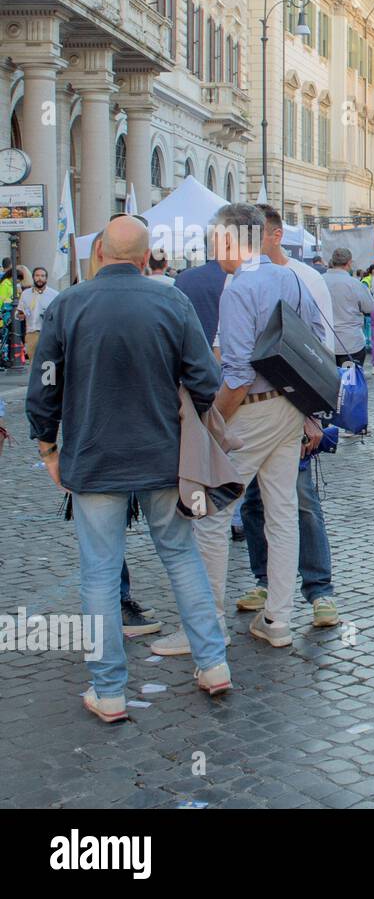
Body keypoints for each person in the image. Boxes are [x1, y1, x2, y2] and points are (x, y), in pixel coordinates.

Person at [26, 214, 231, 721]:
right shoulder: (171, 300)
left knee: (98, 573)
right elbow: (206, 380)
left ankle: (110, 690)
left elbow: (44, 386)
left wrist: (48, 449)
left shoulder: (68, 304)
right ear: (145, 259)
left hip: (93, 457)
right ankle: (214, 665)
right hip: (162, 456)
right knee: (181, 558)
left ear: (98, 255)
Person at [175, 203, 328, 654]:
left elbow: (238, 374)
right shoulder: (289, 277)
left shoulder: (239, 288)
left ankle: (206, 626)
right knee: (282, 514)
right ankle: (278, 619)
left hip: (253, 409)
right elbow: (313, 341)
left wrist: (211, 420)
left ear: (229, 240)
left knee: (211, 510)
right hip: (288, 405)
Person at [224, 204, 340, 631]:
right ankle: (272, 593)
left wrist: (312, 414)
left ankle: (318, 590)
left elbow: (316, 348)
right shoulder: (244, 280)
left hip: (279, 408)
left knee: (297, 504)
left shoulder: (300, 277)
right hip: (278, 408)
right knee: (262, 505)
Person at [323, 247, 374, 367]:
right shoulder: (355, 284)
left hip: (325, 342)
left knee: (327, 384)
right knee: (350, 383)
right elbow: (369, 308)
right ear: (349, 263)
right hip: (350, 343)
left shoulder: (319, 280)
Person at [16, 266, 58, 359]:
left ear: (46, 278)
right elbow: (20, 312)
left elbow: (59, 315)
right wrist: (20, 315)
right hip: (31, 333)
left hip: (48, 333)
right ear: (33, 277)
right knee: (33, 364)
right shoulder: (25, 294)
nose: (40, 278)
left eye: (42, 276)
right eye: (37, 275)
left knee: (47, 362)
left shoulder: (54, 295)